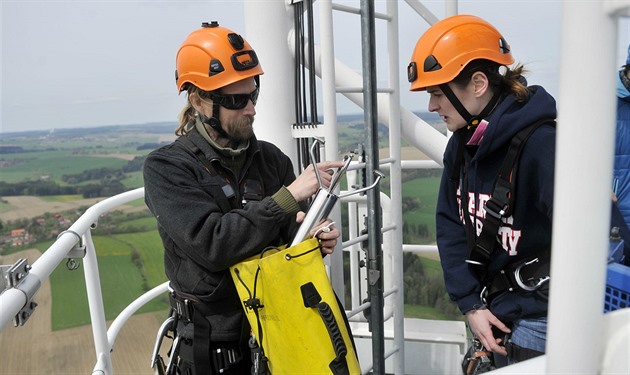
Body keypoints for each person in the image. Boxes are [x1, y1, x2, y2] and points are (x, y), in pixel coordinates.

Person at [143, 21, 345, 374]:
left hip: (280, 330)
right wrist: (289, 197)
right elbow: (213, 243)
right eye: (237, 100)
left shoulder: (271, 160)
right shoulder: (167, 169)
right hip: (211, 345)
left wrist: (313, 235)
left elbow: (285, 238)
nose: (251, 109)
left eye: (253, 95)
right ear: (199, 100)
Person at [407, 15, 557, 367]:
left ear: (477, 84)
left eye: (437, 93)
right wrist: (470, 304)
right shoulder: (461, 146)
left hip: (542, 318)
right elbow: (450, 223)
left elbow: (598, 237)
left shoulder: (542, 146)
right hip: (494, 312)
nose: (431, 107)